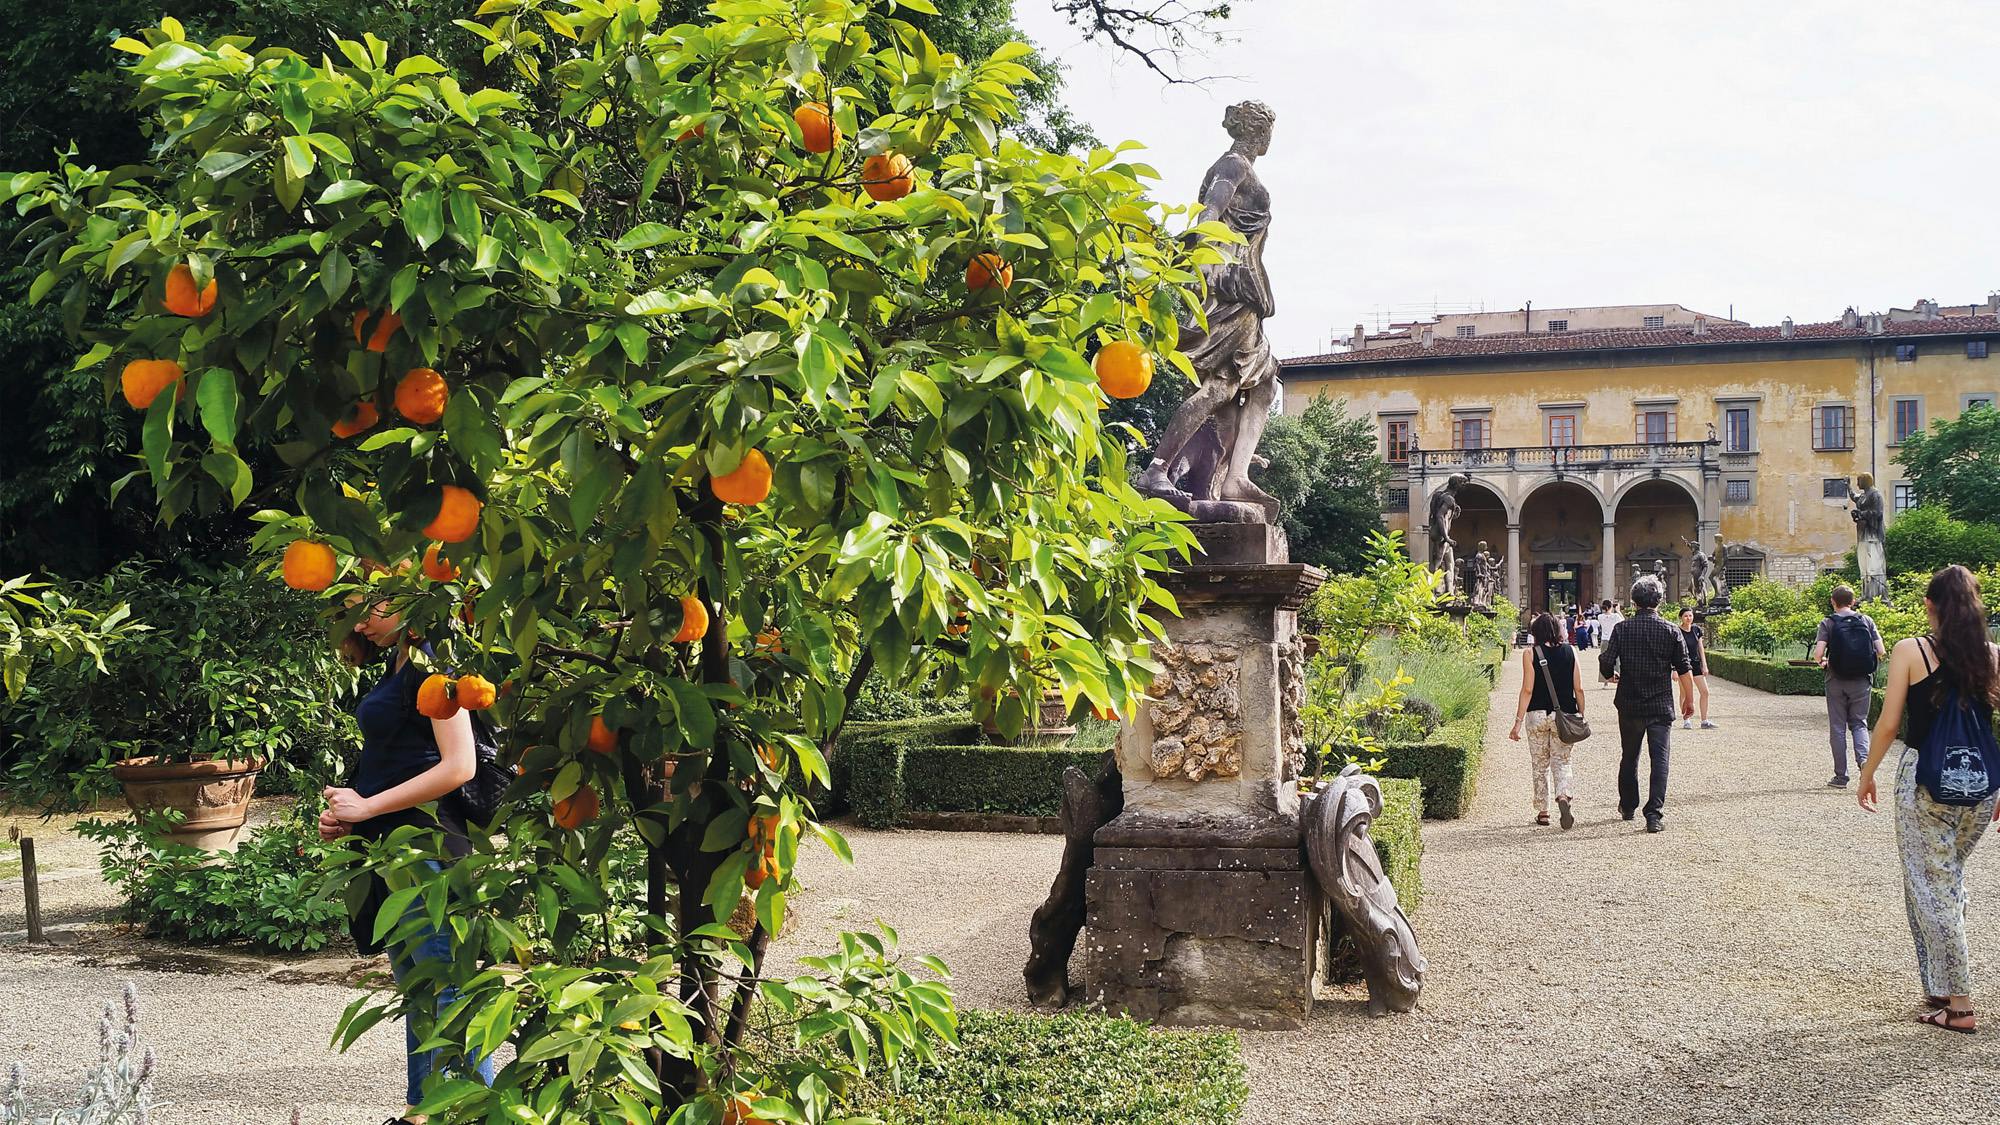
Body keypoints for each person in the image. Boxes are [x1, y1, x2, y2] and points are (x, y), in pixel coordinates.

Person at [321, 591, 493, 1122]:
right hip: (392, 850)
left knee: (449, 987)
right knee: (420, 989)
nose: (359, 624)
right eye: (351, 613)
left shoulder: (434, 666)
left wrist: (369, 805)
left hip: (428, 848)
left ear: (410, 596)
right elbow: (399, 760)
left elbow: (459, 765)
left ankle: (474, 1111)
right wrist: (353, 814)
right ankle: (422, 1110)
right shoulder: (397, 667)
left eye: (369, 608)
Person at [1857, 565, 2000, 1034]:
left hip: (1925, 782)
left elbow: (1888, 724)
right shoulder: (1992, 655)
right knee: (1945, 882)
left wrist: (1867, 773)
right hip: (1980, 786)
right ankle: (1939, 985)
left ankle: (1958, 1005)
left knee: (1930, 887)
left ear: (1929, 605)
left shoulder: (1911, 650)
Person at [1598, 576, 1692, 832]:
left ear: (1633, 601)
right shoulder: (1671, 630)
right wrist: (1689, 699)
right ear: (1659, 601)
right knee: (1660, 760)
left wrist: (1610, 675)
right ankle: (1653, 815)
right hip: (1660, 704)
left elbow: (1606, 660)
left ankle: (1628, 806)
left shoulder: (1622, 629)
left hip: (1630, 703)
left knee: (1629, 756)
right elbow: (1684, 667)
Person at [1509, 613, 1587, 829]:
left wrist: (1517, 722)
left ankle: (1543, 812)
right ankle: (1563, 795)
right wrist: (1581, 713)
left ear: (1536, 632)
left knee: (1539, 764)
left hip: (1537, 715)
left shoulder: (1530, 653)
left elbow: (1527, 689)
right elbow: (1579, 688)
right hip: (1564, 714)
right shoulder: (1570, 651)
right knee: (1562, 760)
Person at [1811, 584, 1886, 788]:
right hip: (1862, 679)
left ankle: (1841, 777)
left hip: (1835, 679)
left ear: (1832, 602)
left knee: (1837, 727)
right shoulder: (1866, 620)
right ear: (1853, 601)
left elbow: (1818, 654)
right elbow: (1881, 650)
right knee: (1859, 723)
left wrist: (1823, 662)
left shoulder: (1828, 622)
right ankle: (1864, 762)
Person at [1677, 607, 1716, 730]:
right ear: (1681, 618)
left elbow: (1700, 648)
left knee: (1705, 692)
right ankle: (1686, 719)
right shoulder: (1677, 631)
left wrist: (1704, 664)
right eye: (1686, 616)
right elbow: (1674, 651)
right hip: (1683, 665)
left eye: (1690, 615)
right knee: (1685, 693)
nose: (1688, 618)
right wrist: (1674, 669)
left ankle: (1704, 720)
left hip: (1696, 664)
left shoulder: (1696, 630)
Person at [1594, 599, 1624, 675]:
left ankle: (1604, 679)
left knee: (1604, 661)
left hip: (1604, 640)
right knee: (1616, 660)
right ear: (1611, 607)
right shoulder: (1615, 616)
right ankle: (1617, 676)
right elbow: (1623, 621)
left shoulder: (1600, 616)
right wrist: (1618, 611)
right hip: (1613, 640)